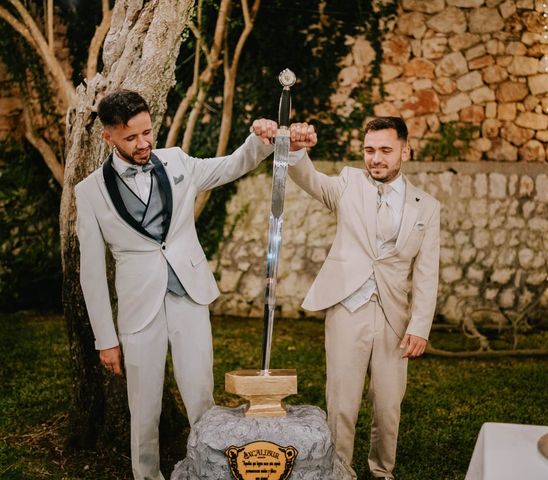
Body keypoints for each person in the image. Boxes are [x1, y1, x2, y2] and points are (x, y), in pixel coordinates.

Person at [75, 89, 277, 480]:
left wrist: (259, 140)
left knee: (201, 393)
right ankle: (147, 475)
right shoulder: (90, 192)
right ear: (109, 137)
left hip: (189, 294)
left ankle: (209, 469)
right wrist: (105, 338)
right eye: (131, 137)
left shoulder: (177, 162)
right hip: (137, 309)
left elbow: (230, 166)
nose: (144, 143)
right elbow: (91, 271)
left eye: (147, 132)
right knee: (144, 406)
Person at [267, 116, 441, 479]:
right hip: (348, 308)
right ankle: (339, 471)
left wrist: (420, 325)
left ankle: (382, 471)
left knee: (388, 406)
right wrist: (297, 151)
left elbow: (427, 273)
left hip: (395, 318)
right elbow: (310, 180)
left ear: (405, 151)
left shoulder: (427, 207)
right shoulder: (347, 183)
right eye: (369, 150)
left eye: (385, 151)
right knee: (342, 402)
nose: (376, 159)